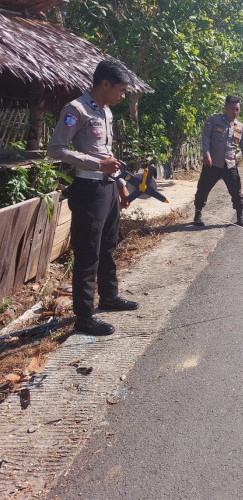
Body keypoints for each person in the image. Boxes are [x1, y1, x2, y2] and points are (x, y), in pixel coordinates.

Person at [48, 59, 139, 337]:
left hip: (108, 188)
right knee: (88, 253)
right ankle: (85, 318)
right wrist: (96, 165)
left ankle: (109, 297)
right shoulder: (75, 109)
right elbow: (56, 149)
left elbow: (106, 153)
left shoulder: (106, 112)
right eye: (121, 90)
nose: (123, 96)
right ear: (105, 84)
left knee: (108, 245)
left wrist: (120, 182)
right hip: (89, 191)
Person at [193, 95, 243, 227]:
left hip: (230, 165)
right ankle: (197, 214)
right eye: (232, 109)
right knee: (202, 190)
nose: (235, 112)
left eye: (237, 109)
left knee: (236, 191)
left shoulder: (240, 127)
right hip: (212, 164)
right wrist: (206, 154)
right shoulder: (213, 120)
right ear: (225, 108)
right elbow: (206, 138)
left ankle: (240, 215)